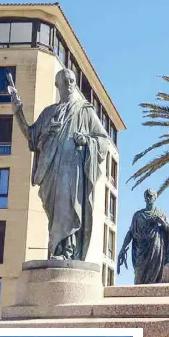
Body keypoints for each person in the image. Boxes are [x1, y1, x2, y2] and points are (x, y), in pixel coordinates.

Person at [9, 68, 109, 260]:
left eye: (72, 81)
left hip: (73, 171)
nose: (70, 84)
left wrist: (86, 140)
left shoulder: (85, 110)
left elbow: (102, 138)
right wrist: (18, 112)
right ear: (57, 85)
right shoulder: (49, 113)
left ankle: (66, 251)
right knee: (55, 213)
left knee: (68, 207)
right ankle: (57, 250)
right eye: (65, 81)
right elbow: (31, 136)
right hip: (51, 170)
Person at [117, 189, 169, 284]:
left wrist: (163, 223)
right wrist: (122, 248)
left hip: (155, 250)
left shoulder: (161, 214)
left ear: (155, 198)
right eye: (146, 196)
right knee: (139, 277)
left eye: (150, 196)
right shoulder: (138, 215)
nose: (148, 198)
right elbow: (130, 232)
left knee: (156, 277)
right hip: (141, 250)